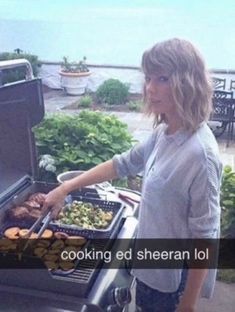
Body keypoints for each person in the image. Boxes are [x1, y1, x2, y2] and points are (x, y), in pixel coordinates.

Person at [43, 38, 222, 312]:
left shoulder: (200, 155)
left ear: (189, 82)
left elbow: (205, 237)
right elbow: (121, 164)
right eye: (149, 78)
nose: (150, 88)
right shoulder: (166, 132)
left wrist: (188, 304)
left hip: (172, 283)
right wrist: (66, 187)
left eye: (163, 78)